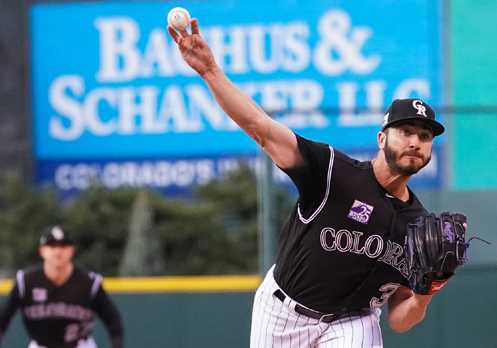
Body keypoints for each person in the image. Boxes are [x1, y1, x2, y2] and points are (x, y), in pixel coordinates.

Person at [168, 18, 448, 348]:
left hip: (352, 321)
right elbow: (261, 127)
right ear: (381, 138)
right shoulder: (332, 171)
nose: (416, 141)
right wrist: (210, 71)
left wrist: (428, 290)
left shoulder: (420, 227)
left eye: (425, 136)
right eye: (406, 132)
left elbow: (400, 320)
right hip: (282, 313)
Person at [0, 226, 124, 348]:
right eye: (52, 246)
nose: (58, 251)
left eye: (63, 246)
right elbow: (3, 317)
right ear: (42, 251)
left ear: (72, 250)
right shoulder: (26, 282)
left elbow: (112, 319)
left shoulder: (89, 282)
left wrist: (117, 343)